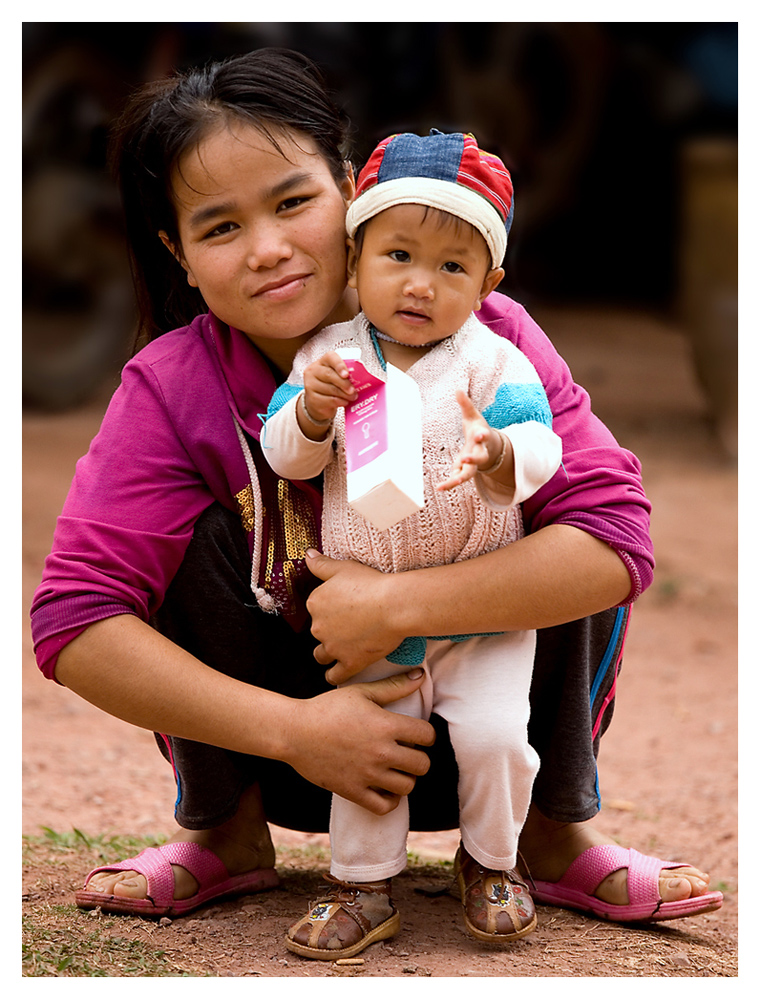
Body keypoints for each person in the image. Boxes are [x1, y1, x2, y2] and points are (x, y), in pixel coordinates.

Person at [30, 48, 721, 934]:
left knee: (559, 502)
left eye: (292, 202)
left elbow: (618, 542)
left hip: (490, 723)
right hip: (302, 739)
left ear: (351, 191)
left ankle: (548, 837)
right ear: (180, 256)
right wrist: (294, 731)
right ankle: (227, 834)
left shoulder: (489, 339)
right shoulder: (171, 387)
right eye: (218, 228)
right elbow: (76, 621)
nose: (269, 249)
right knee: (197, 533)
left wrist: (394, 606)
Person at [262, 129, 563, 956]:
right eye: (397, 255)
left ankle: (493, 861)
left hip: (484, 616)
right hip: (368, 612)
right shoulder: (327, 353)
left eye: (453, 268)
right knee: (370, 748)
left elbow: (541, 451)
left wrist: (500, 454)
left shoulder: (492, 363)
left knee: (499, 739)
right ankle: (361, 885)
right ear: (355, 258)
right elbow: (285, 454)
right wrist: (311, 411)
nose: (420, 284)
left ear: (489, 283)